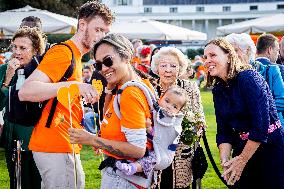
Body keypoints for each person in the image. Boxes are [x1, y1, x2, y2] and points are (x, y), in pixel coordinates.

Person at [18, 2, 114, 188]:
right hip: (54, 144)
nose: (101, 36)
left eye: (105, 32)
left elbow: (63, 101)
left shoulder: (77, 56)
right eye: (98, 29)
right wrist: (74, 85)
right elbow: (26, 91)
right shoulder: (64, 52)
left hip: (63, 143)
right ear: (82, 25)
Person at [69, 33, 157, 189]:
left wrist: (92, 140)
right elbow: (108, 118)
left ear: (126, 57)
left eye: (108, 61)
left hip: (124, 179)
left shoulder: (130, 93)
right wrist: (109, 90)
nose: (103, 69)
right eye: (98, 65)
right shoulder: (135, 84)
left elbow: (137, 150)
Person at [204, 37, 284, 189]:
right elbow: (223, 130)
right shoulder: (218, 89)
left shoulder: (248, 77)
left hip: (270, 150)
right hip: (243, 148)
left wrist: (241, 160)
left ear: (228, 56)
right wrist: (225, 161)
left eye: (213, 55)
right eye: (205, 57)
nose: (208, 60)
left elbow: (261, 126)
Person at [151, 47, 206, 189]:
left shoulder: (190, 88)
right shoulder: (149, 87)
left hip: (181, 154)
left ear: (180, 68)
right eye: (163, 65)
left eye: (173, 66)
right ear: (157, 68)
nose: (168, 70)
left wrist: (190, 130)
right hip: (153, 153)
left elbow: (200, 121)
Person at [0, 27, 45, 189]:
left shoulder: (41, 72)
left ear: (35, 50)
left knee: (37, 181)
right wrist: (8, 78)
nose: (17, 52)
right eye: (14, 47)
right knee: (17, 182)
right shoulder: (4, 69)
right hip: (12, 138)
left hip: (36, 137)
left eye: (23, 48)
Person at [115, 85, 187, 178]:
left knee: (151, 159)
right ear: (161, 98)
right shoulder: (155, 111)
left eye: (174, 106)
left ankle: (132, 168)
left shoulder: (172, 122)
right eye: (167, 101)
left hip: (162, 153)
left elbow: (162, 137)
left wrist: (149, 129)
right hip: (147, 146)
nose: (169, 107)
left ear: (178, 111)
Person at [254, 34, 284, 125]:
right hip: (274, 124)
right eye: (277, 50)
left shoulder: (244, 69)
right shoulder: (278, 69)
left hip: (252, 125)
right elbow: (282, 100)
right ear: (270, 50)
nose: (278, 54)